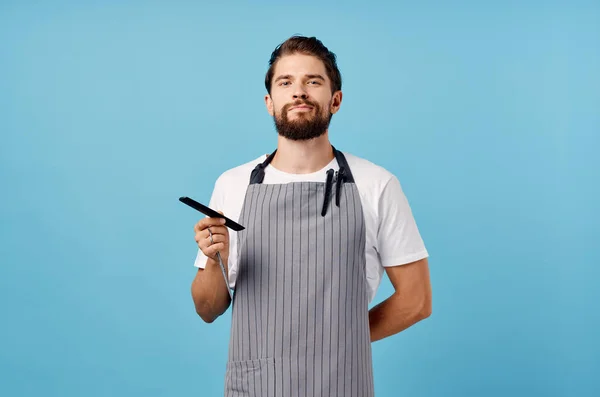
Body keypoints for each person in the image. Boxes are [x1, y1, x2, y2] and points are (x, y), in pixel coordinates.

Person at [190, 35, 432, 397]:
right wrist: (214, 259)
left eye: (312, 81)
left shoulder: (376, 185)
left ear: (335, 100)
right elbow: (208, 309)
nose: (298, 92)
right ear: (270, 102)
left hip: (341, 384)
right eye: (286, 82)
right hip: (257, 386)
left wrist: (341, 340)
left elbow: (416, 300)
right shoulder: (233, 184)